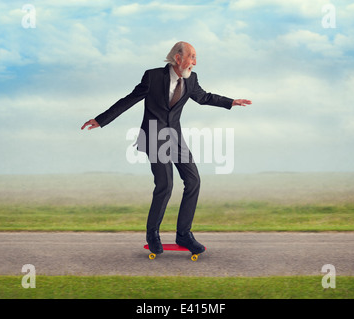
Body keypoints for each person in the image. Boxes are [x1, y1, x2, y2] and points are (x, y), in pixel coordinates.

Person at [82, 41, 251, 255]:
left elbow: (204, 97)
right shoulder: (153, 77)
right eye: (191, 57)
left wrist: (231, 102)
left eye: (195, 58)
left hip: (175, 137)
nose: (195, 62)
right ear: (178, 58)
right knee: (165, 185)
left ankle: (184, 235)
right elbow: (129, 100)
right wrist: (101, 119)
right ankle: (152, 233)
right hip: (154, 135)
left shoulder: (192, 80)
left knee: (193, 181)